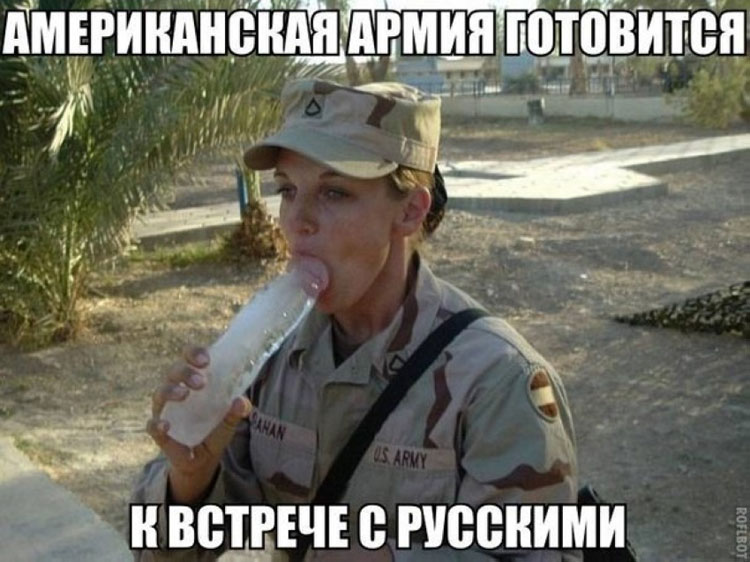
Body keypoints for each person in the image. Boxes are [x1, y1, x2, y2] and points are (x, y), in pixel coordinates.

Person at [132, 79, 580, 561]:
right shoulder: (269, 358)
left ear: (410, 211)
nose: (297, 221)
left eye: (334, 192)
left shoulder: (495, 380)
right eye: (287, 190)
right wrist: (190, 478)